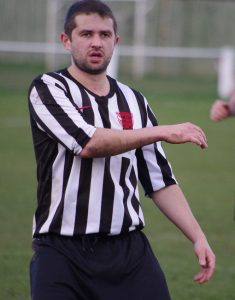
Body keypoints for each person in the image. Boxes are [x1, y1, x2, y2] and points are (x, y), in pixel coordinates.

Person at [28, 1, 215, 299]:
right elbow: (88, 143)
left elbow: (159, 180)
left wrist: (197, 236)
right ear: (67, 40)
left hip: (128, 253)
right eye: (86, 34)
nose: (96, 42)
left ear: (115, 42)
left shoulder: (134, 101)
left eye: (104, 35)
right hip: (62, 253)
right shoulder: (49, 88)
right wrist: (164, 130)